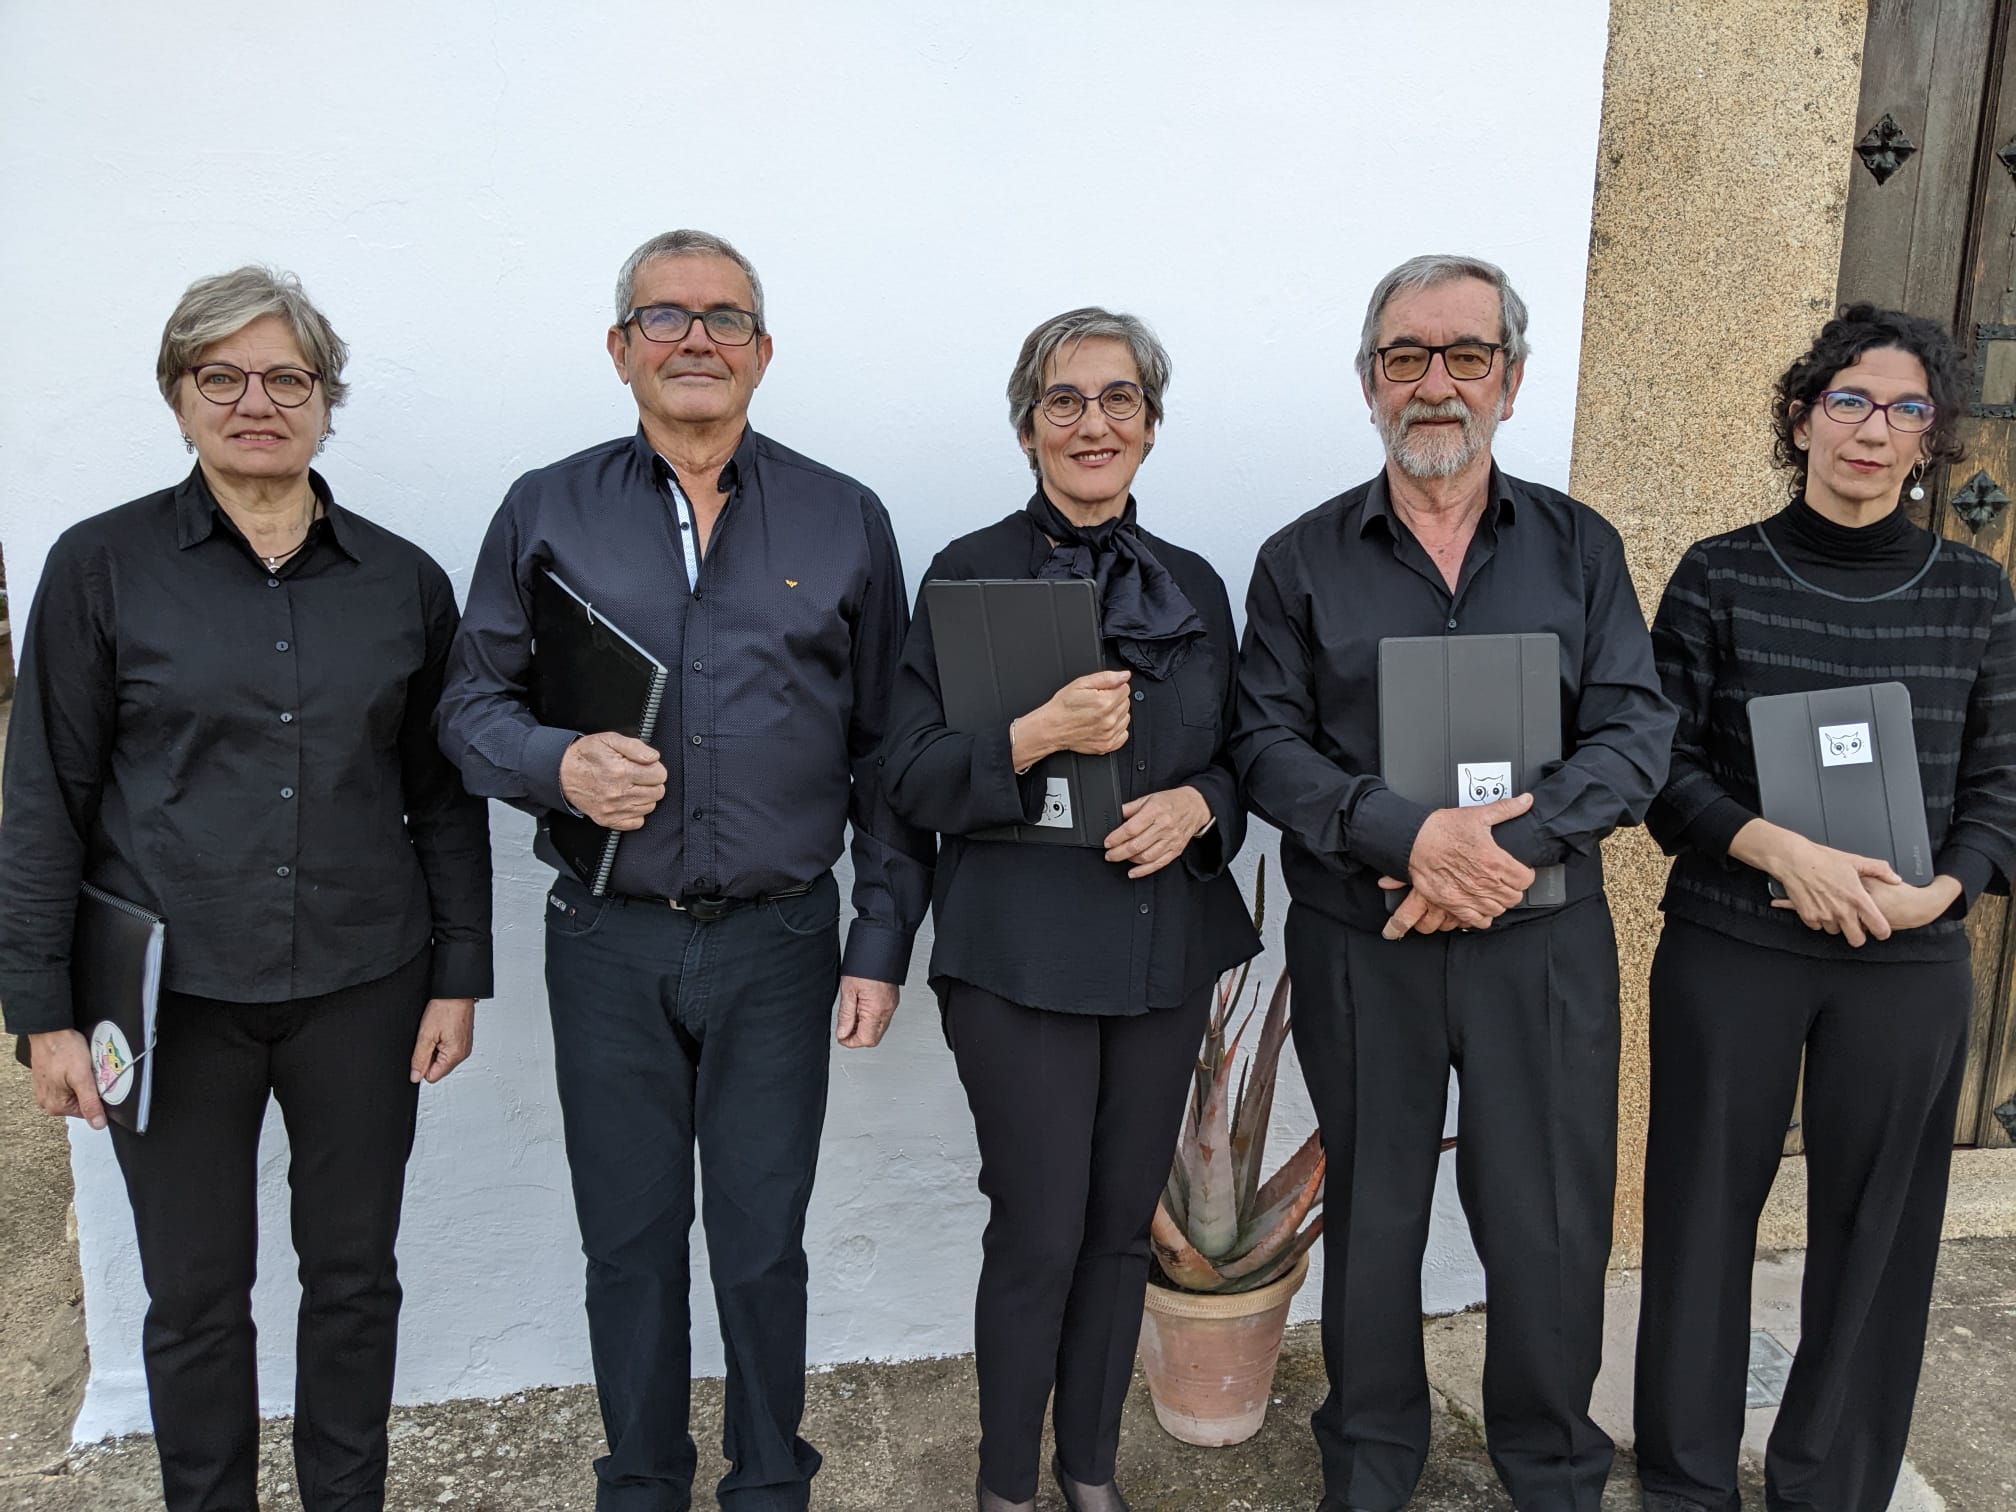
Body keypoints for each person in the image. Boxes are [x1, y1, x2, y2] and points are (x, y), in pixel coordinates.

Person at [434, 229, 932, 1512]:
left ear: (763, 352)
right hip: (609, 942)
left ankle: (769, 1482)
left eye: (725, 318)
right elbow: (468, 709)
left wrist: (880, 939)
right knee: (629, 1246)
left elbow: (890, 750)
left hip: (782, 942)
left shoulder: (844, 515)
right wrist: (556, 762)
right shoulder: (546, 508)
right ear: (621, 349)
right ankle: (643, 1481)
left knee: (763, 1248)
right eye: (665, 316)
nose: (696, 338)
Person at [0, 265, 494, 1512]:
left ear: (326, 400)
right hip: (167, 1000)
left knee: (353, 1280)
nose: (256, 402)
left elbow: (440, 797)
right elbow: (44, 796)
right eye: (221, 377)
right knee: (195, 1295)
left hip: (365, 985)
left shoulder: (402, 582)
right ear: (178, 396)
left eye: (287, 378)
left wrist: (458, 975)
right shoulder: (101, 566)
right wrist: (41, 1014)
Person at [1230, 254, 1675, 1512]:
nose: (1436, 383)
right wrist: (1405, 837)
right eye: (1406, 357)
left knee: (1549, 1219)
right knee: (1375, 1216)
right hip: (1364, 940)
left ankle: (1552, 1469)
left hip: (1543, 945)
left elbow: (1635, 733)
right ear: (1369, 382)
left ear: (1510, 381)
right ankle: (1371, 1466)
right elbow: (1263, 744)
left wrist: (1497, 852)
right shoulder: (1299, 559)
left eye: (1466, 355)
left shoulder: (1581, 549)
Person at [1632, 305, 2016, 1512]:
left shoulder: (1978, 593)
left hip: (1907, 960)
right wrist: (1775, 850)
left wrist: (1942, 892)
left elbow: (2003, 783)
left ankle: (1831, 1485)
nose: (1872, 429)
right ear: (1801, 419)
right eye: (1848, 400)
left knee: (1880, 1234)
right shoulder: (1720, 572)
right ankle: (1687, 1483)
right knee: (1699, 1216)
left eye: (1906, 409)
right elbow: (1654, 762)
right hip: (1733, 942)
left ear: (1931, 440)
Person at [877, 306, 1259, 1512]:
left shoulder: (1194, 584)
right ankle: (1005, 1487)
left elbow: (1243, 758)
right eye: (1065, 400)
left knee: (1117, 1233)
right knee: (1039, 1233)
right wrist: (1034, 734)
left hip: (1159, 954)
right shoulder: (964, 571)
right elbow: (906, 773)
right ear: (1028, 426)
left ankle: (1089, 1474)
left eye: (1118, 398)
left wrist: (1199, 805)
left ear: (1149, 422)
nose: (1094, 423)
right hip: (1018, 957)